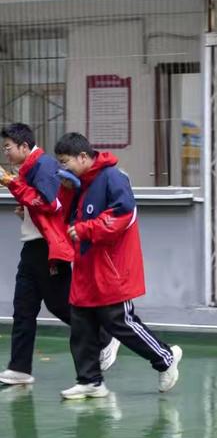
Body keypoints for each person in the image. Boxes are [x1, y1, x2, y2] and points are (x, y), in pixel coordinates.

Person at [54, 132, 182, 399]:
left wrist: (87, 229)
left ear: (83, 157)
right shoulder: (80, 183)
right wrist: (67, 192)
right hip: (86, 267)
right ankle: (90, 381)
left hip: (110, 267)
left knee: (119, 321)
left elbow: (123, 214)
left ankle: (165, 357)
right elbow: (67, 218)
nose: (62, 168)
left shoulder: (113, 177)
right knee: (81, 325)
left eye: (65, 162)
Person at [0, 123, 117, 386]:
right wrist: (25, 209)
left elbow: (51, 202)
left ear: (24, 146)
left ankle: (105, 339)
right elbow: (41, 203)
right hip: (33, 244)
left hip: (46, 246)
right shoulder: (30, 167)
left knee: (61, 305)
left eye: (8, 147)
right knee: (23, 308)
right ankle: (19, 368)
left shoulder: (42, 165)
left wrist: (11, 183)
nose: (5, 153)